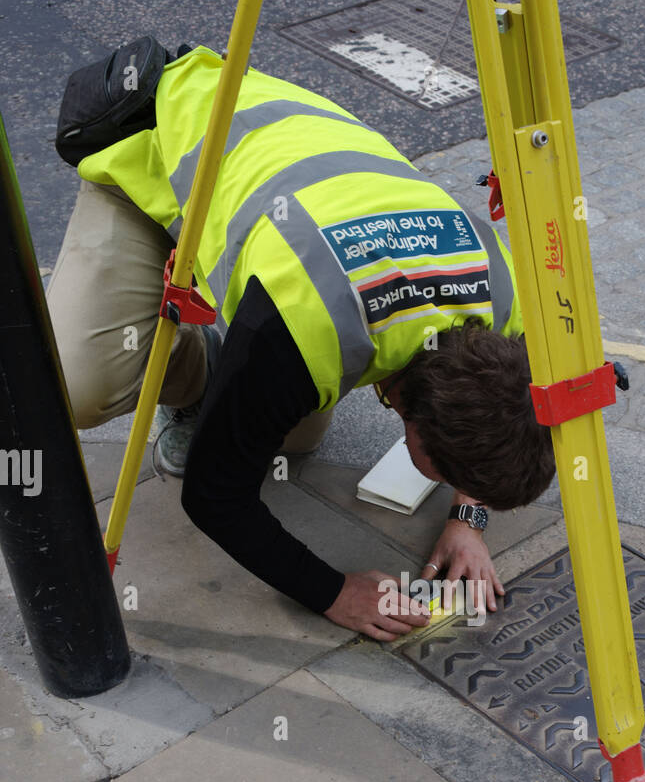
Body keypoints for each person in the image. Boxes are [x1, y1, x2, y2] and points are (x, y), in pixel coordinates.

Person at [47, 44, 555, 641]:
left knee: (294, 433)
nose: (444, 484)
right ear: (416, 429)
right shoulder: (305, 326)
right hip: (160, 143)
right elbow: (214, 496)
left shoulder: (502, 305)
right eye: (446, 475)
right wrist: (333, 592)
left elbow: (506, 413)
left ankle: (227, 368)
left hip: (287, 173)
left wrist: (468, 520)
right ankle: (208, 365)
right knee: (81, 386)